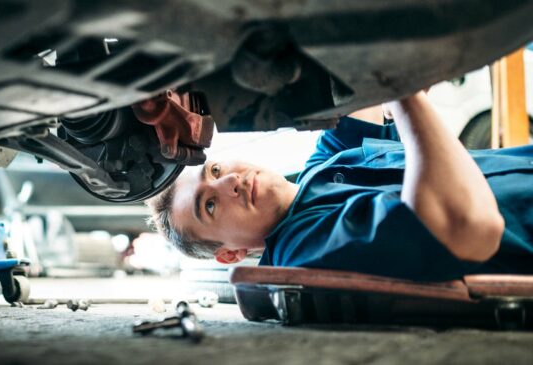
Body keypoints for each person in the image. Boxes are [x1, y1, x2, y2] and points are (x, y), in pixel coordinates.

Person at [146, 91, 533, 281]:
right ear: (231, 254)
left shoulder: (320, 169)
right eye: (209, 206)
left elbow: (352, 92)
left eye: (214, 170)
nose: (229, 181)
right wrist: (403, 90)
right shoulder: (301, 255)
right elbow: (464, 228)